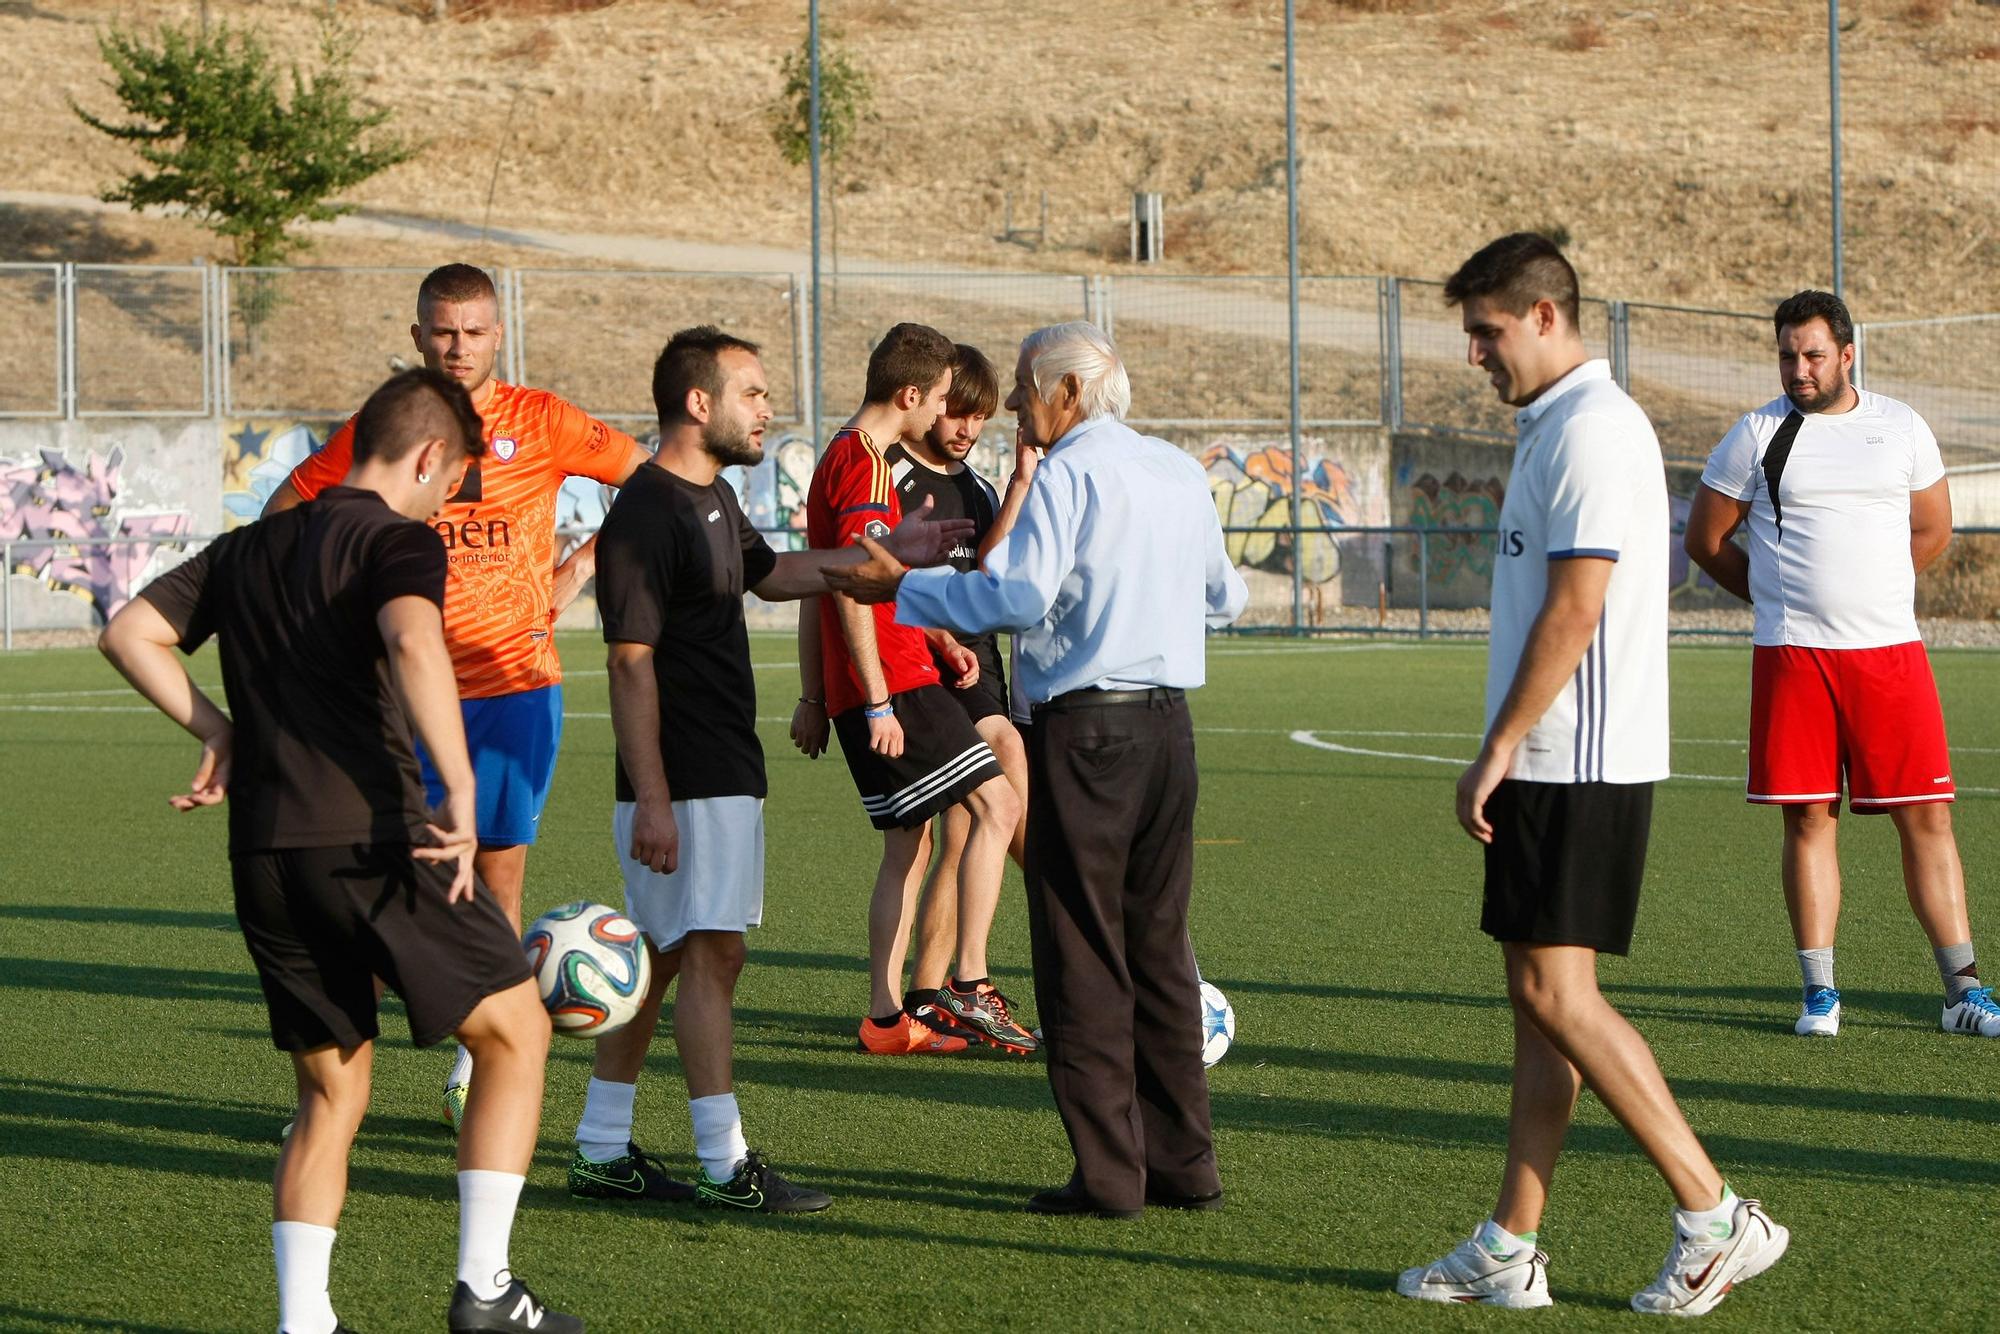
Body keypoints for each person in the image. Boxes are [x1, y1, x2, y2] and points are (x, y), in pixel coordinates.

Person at [99, 369, 579, 1334]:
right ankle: (485, 1290)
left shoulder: (250, 545)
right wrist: (461, 782)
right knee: (517, 1032)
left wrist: (222, 729)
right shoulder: (396, 539)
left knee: (332, 1090)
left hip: (266, 856)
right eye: (451, 486)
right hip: (377, 841)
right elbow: (412, 641)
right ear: (428, 456)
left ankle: (304, 1322)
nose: (447, 504)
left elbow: (130, 633)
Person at [1391, 234, 1786, 1316]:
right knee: (1535, 1004)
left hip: (1576, 754)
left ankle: (1714, 1212)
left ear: (1545, 318)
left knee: (1557, 994)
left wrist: (1499, 744)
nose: (1474, 353)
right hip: (1559, 755)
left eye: (1485, 330)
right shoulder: (1556, 422)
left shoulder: (1595, 430)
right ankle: (1509, 1242)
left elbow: (1576, 606)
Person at [824, 321, 1248, 1220]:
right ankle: (1185, 1165)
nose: (1016, 405)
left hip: (1090, 734)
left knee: (1081, 952)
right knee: (1160, 947)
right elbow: (1228, 595)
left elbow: (1017, 595)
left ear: (1067, 392)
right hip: (1172, 732)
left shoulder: (1069, 474)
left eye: (1024, 387)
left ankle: (1109, 1177)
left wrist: (906, 587)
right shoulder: (1176, 469)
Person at [571, 326, 980, 1212]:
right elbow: (628, 663)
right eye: (753, 393)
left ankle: (602, 1145)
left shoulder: (710, 497)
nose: (768, 410)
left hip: (715, 768)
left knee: (669, 959)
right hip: (686, 776)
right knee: (715, 955)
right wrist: (652, 801)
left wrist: (885, 558)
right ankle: (725, 1168)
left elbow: (775, 574)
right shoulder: (648, 512)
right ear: (698, 403)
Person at [265, 263, 650, 1130]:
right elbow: (287, 509)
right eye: (442, 330)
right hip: (395, 695)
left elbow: (654, 482)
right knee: (365, 892)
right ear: (416, 337)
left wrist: (579, 568)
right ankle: (331, 1100)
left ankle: (479, 1078)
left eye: (474, 330)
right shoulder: (386, 427)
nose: (458, 346)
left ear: (499, 333)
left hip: (516, 690)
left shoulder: (544, 420)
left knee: (494, 893)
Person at [1684, 289, 1997, 1040]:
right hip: (1794, 659)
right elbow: (1705, 541)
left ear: (1847, 354)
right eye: (1788, 354)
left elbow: (1933, 527)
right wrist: (1774, 599)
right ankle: (1819, 993)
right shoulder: (1757, 434)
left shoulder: (1902, 427)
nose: (1799, 368)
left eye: (1813, 354)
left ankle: (1963, 992)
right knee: (1808, 822)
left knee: (1928, 819)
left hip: (1891, 656)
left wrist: (1874, 595)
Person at [792, 342, 1032, 1045]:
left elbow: (853, 576)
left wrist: (938, 640)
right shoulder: (866, 461)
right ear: (911, 398)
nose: (943, 417)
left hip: (905, 668)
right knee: (999, 802)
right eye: (939, 401)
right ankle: (966, 985)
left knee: (913, 846)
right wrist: (874, 701)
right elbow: (849, 584)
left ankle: (888, 1016)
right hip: (893, 684)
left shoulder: (849, 455)